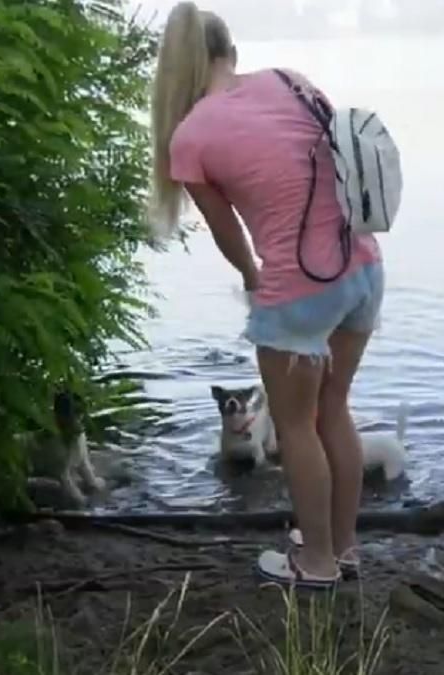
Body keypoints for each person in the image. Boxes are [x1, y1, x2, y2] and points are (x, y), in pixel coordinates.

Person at [148, 2, 383, 588]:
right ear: (232, 54)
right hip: (364, 266)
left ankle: (318, 563)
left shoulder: (190, 136)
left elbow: (231, 235)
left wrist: (256, 283)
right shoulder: (291, 81)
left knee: (294, 424)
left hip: (299, 289)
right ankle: (345, 549)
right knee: (334, 409)